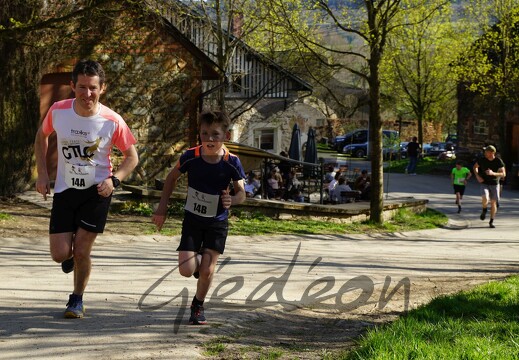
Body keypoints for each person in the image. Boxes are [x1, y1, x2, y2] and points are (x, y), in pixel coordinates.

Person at [34, 59, 139, 318]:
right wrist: (43, 173)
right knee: (60, 255)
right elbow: (41, 136)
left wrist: (114, 181)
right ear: (72, 86)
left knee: (82, 251)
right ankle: (70, 259)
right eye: (82, 87)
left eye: (92, 88)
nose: (87, 94)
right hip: (65, 190)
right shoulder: (58, 111)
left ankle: (77, 300)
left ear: (102, 88)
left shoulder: (112, 120)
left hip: (97, 192)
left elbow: (131, 157)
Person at [152, 110, 246, 325]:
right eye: (204, 134)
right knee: (186, 270)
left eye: (215, 134)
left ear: (226, 136)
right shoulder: (190, 156)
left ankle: (197, 305)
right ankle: (202, 263)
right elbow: (171, 178)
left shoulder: (232, 161)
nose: (209, 139)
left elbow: (241, 193)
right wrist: (162, 208)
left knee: (207, 271)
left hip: (217, 222)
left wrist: (233, 200)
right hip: (193, 220)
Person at [473, 145, 505, 228]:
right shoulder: (482, 160)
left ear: (492, 153)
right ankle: (484, 210)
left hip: (494, 184)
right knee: (485, 198)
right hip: (484, 182)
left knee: (493, 202)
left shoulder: (498, 161)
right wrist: (477, 176)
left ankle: (491, 221)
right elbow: (475, 167)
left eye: (486, 152)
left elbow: (503, 174)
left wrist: (493, 173)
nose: (485, 153)